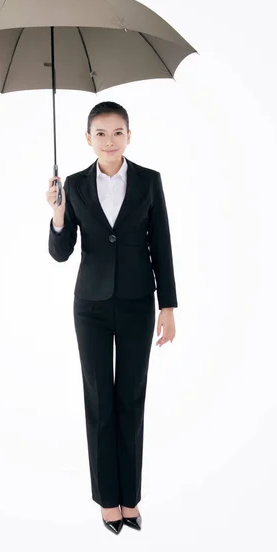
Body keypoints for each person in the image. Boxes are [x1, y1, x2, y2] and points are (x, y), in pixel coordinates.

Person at [46, 101, 177, 535]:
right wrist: (57, 212)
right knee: (100, 400)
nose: (109, 140)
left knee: (131, 399)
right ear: (88, 138)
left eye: (117, 132)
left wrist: (168, 307)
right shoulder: (76, 185)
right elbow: (61, 253)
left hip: (139, 303)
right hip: (92, 306)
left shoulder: (149, 181)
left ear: (129, 135)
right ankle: (107, 500)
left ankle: (130, 498)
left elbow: (162, 244)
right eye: (100, 133)